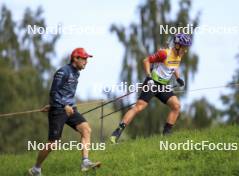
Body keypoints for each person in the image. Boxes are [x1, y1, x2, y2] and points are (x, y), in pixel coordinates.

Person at [28, 48, 100, 176]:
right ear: (75, 58)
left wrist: (62, 104)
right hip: (59, 111)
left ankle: (85, 162)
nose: (86, 62)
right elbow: (54, 92)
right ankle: (36, 169)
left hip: (70, 109)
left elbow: (63, 92)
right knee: (53, 144)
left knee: (86, 129)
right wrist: (60, 105)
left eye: (86, 59)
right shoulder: (63, 72)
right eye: (83, 59)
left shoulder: (77, 73)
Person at [110, 34, 192, 144]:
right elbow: (146, 60)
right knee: (139, 107)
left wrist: (178, 78)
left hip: (163, 86)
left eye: (186, 47)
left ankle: (166, 135)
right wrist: (149, 77)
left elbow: (174, 66)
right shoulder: (164, 53)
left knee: (176, 106)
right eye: (184, 47)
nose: (185, 50)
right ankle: (116, 133)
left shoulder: (179, 55)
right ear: (177, 45)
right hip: (152, 83)